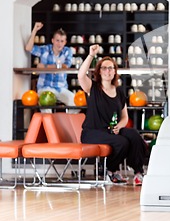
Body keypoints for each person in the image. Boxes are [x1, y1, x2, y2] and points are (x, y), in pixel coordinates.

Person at [78, 46, 147, 185]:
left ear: (115, 71)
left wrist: (119, 127)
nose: (107, 71)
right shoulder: (92, 88)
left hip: (110, 130)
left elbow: (124, 117)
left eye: (110, 68)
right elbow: (80, 75)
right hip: (92, 132)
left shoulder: (119, 92)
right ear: (99, 71)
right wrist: (91, 55)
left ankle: (138, 172)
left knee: (133, 134)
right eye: (104, 68)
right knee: (121, 142)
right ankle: (109, 171)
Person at [25, 22, 77, 111]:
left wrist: (45, 66)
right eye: (57, 40)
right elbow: (28, 48)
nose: (59, 44)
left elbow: (65, 66)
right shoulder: (45, 49)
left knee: (76, 103)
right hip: (45, 87)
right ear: (53, 40)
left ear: (65, 42)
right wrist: (35, 30)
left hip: (61, 88)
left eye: (62, 41)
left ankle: (67, 123)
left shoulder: (67, 51)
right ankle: (49, 125)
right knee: (46, 106)